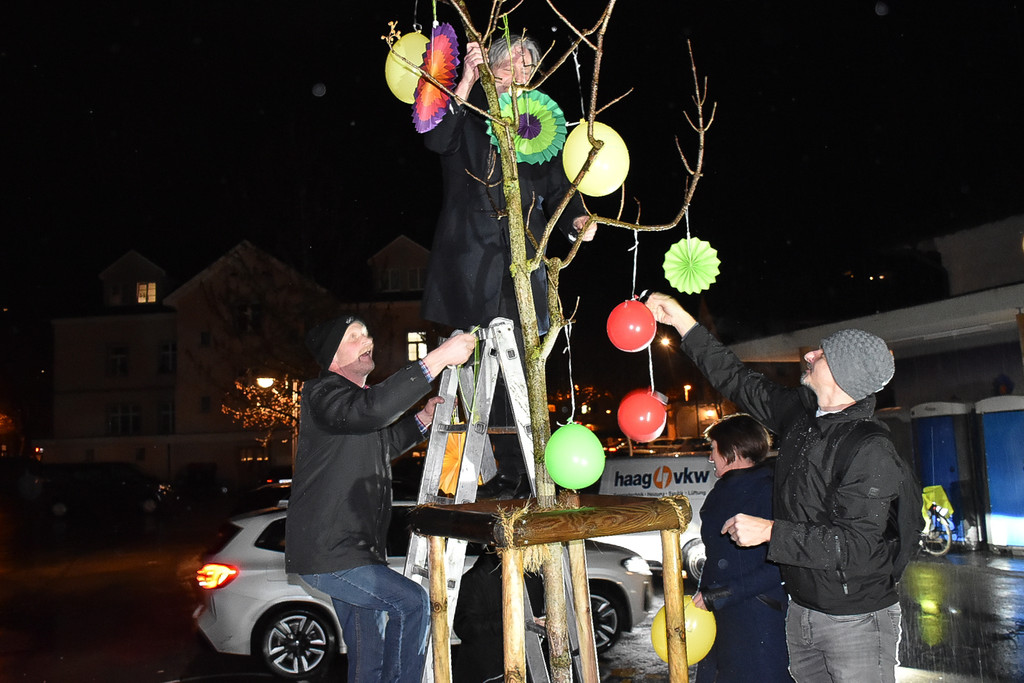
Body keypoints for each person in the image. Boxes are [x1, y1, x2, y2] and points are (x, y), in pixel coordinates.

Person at [644, 292, 905, 683]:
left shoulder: (871, 448)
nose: (810, 355)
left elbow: (857, 545)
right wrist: (682, 321)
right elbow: (737, 379)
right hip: (800, 612)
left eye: (824, 354)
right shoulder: (800, 415)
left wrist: (770, 531)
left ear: (843, 376)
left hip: (856, 621)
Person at [421, 33, 595, 497]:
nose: (523, 66)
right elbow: (437, 137)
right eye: (514, 57)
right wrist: (467, 80)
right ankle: (490, 469)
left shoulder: (539, 123)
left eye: (531, 62)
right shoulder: (472, 110)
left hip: (525, 260)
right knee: (478, 367)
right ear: (493, 64)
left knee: (525, 364)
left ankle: (527, 473)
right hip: (470, 258)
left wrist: (575, 217)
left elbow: (559, 188)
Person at [285, 313, 477, 683]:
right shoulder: (323, 394)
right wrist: (437, 359)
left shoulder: (353, 410)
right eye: (354, 336)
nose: (367, 339)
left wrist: (422, 417)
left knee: (368, 655)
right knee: (412, 603)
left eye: (367, 334)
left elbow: (382, 441)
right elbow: (372, 411)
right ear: (332, 358)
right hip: (331, 551)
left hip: (353, 550)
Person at [693, 413, 791, 683]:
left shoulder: (770, 491)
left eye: (713, 449)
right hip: (724, 621)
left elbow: (782, 568)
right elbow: (716, 557)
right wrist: (704, 594)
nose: (711, 457)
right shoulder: (724, 491)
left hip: (756, 623)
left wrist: (721, 594)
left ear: (732, 451)